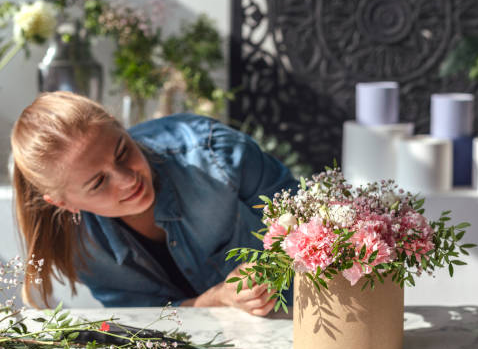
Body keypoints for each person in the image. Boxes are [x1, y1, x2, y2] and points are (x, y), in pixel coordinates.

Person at [11, 91, 297, 316]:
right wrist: (216, 300)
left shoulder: (213, 154)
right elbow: (146, 320)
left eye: (122, 152)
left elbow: (311, 224)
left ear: (119, 125)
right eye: (98, 183)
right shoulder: (80, 250)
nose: (127, 180)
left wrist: (274, 266)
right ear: (64, 203)